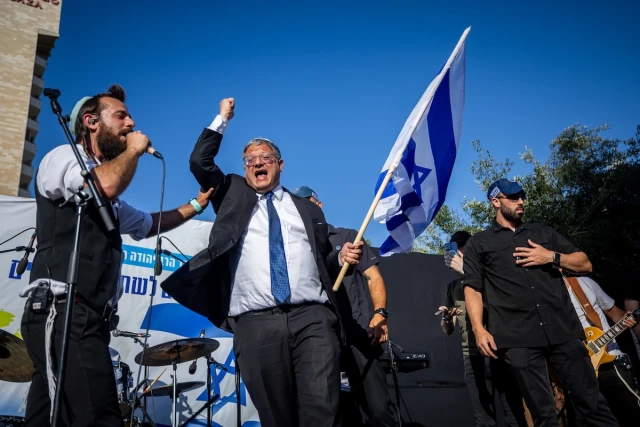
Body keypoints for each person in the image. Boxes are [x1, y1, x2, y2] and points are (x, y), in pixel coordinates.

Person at [161, 99, 363, 427]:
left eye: (265, 157)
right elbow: (199, 161)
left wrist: (340, 258)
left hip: (312, 319)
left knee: (323, 412)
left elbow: (321, 259)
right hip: (256, 325)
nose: (257, 163)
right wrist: (223, 118)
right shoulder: (231, 192)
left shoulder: (307, 209)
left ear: (280, 165)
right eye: (249, 160)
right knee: (277, 417)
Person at [20, 84, 213, 427]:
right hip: (63, 311)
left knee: (49, 418)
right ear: (91, 122)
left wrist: (196, 205)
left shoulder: (105, 195)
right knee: (101, 417)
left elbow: (147, 224)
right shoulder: (64, 158)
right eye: (121, 116)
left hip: (85, 317)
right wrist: (134, 151)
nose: (131, 123)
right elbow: (104, 185)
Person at [462, 178, 618, 427]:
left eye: (522, 196)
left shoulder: (543, 233)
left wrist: (551, 256)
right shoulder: (479, 243)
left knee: (592, 404)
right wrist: (479, 329)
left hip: (563, 331)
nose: (521, 201)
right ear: (495, 201)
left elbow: (585, 263)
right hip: (518, 339)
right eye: (513, 197)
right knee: (543, 415)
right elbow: (473, 288)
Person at [292, 185, 399, 427]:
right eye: (297, 207)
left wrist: (380, 313)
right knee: (329, 414)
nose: (303, 210)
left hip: (357, 337)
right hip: (316, 341)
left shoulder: (346, 237)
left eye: (307, 203)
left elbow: (374, 278)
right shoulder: (296, 248)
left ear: (318, 205)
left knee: (379, 411)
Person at [440, 230, 527, 427]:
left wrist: (467, 272)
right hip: (472, 356)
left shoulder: (489, 277)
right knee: (483, 419)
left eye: (462, 252)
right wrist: (447, 316)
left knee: (514, 414)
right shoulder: (452, 287)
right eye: (454, 252)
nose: (457, 257)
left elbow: (501, 308)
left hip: (500, 352)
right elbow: (448, 330)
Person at [563, 274, 640, 426]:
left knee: (631, 416)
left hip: (611, 362)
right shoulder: (543, 298)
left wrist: (627, 319)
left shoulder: (583, 284)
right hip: (579, 370)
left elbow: (615, 314)